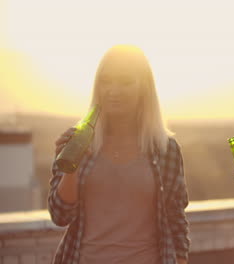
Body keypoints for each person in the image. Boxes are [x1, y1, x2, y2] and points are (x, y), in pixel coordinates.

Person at [48, 45, 190, 264]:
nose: (113, 90)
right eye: (106, 81)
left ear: (144, 88)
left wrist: (180, 260)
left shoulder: (165, 149)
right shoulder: (76, 141)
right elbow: (60, 216)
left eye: (125, 82)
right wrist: (71, 166)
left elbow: (176, 219)